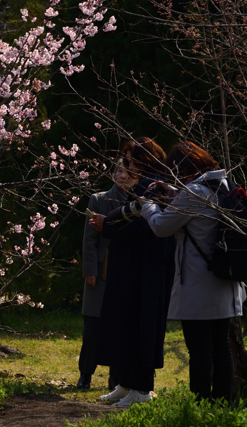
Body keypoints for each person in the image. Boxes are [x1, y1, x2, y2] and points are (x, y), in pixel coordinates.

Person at [140, 141, 246, 402]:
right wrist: (173, 191)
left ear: (183, 168)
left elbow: (162, 226)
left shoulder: (194, 192)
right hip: (227, 279)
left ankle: (201, 405)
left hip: (199, 282)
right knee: (221, 347)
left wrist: (147, 206)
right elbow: (198, 207)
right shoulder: (224, 185)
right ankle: (224, 404)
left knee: (199, 350)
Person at [88, 137, 173, 407]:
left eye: (131, 157)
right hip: (127, 265)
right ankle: (125, 384)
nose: (126, 163)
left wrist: (108, 225)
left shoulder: (155, 187)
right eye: (124, 157)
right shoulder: (140, 186)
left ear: (146, 159)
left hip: (146, 268)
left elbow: (147, 227)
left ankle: (142, 388)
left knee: (141, 326)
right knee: (123, 323)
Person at [76, 164, 127, 390]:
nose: (123, 176)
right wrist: (90, 270)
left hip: (126, 269)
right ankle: (85, 374)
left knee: (120, 327)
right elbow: (89, 238)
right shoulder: (98, 199)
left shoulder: (141, 201)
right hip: (100, 268)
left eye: (128, 172)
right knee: (93, 327)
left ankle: (116, 379)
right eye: (119, 172)